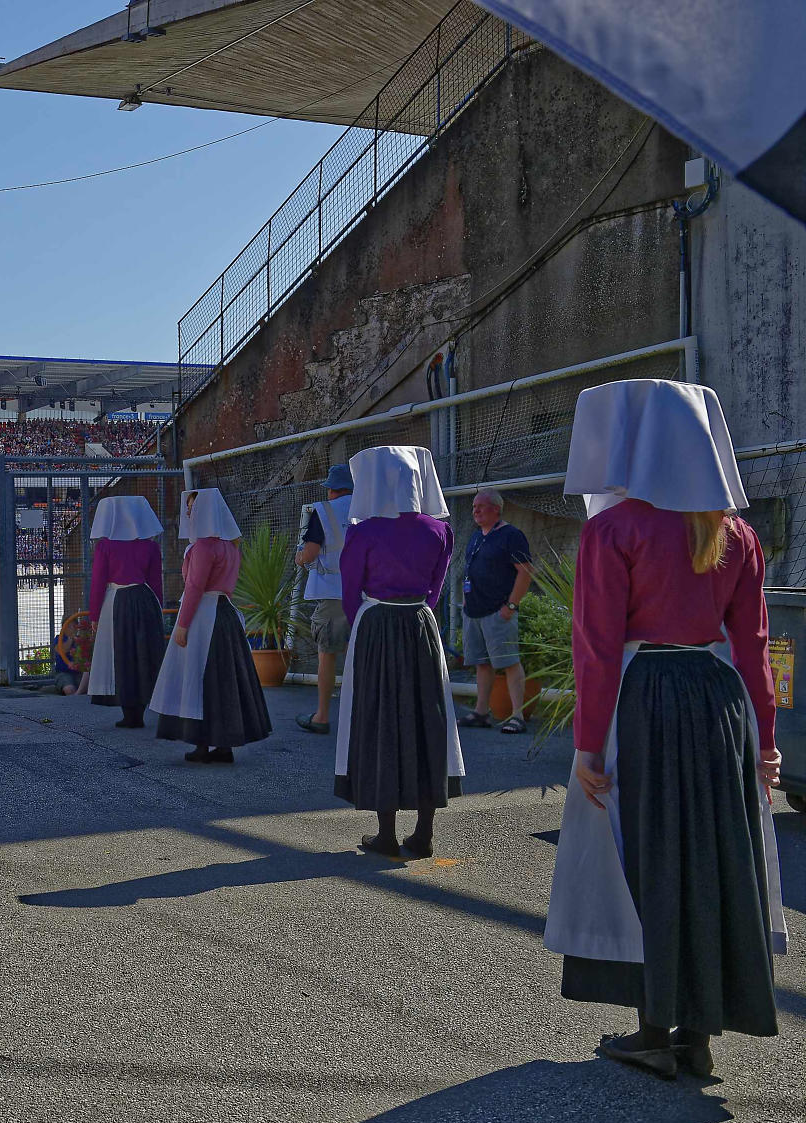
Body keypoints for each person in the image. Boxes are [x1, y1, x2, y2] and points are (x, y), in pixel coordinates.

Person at [547, 379, 786, 1080]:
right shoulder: (737, 534)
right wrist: (765, 741)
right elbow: (754, 644)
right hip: (719, 703)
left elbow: (595, 645)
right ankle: (699, 1032)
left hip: (644, 697)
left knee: (649, 850)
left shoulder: (614, 530)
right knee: (710, 855)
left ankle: (653, 1028)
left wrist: (588, 743)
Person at [334, 446, 464, 858]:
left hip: (376, 625)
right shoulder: (440, 531)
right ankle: (424, 833)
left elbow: (350, 592)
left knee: (379, 719)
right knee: (427, 718)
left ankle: (386, 832)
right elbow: (436, 590)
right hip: (421, 624)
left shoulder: (364, 532)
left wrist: (365, 630)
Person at [150, 489, 271, 763]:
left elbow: (194, 587)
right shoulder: (230, 545)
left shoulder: (203, 546)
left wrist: (182, 624)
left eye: (194, 507)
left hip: (204, 616)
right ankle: (224, 744)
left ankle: (202, 743)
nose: (189, 512)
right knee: (224, 680)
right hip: (225, 614)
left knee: (199, 679)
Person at [85, 495, 167, 729]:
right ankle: (141, 708)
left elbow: (98, 582)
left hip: (117, 601)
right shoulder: (151, 546)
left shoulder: (106, 546)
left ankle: (128, 711)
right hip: (146, 600)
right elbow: (156, 582)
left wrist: (94, 615)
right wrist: (158, 608)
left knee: (121, 654)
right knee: (144, 653)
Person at [458, 488, 535, 733]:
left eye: (481, 506)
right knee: (482, 663)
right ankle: (481, 712)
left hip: (498, 612)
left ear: (497, 509)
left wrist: (511, 605)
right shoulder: (476, 536)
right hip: (473, 612)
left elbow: (526, 571)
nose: (476, 511)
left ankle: (517, 716)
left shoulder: (511, 535)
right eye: (474, 507)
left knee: (509, 662)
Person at [295, 464, 355, 734]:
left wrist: (299, 557)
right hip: (365, 593)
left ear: (331, 489)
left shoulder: (323, 510)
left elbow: (309, 553)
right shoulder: (368, 511)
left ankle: (322, 716)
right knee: (362, 656)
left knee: (327, 655)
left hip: (331, 593)